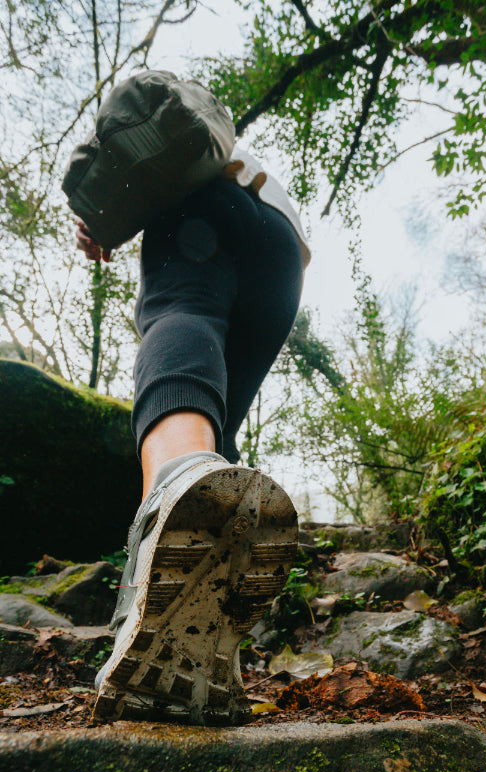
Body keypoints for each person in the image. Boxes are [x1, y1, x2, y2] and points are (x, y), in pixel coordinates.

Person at [75, 148, 310, 725]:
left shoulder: (170, 154)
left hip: (203, 212)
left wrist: (100, 214)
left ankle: (172, 496)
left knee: (181, 314)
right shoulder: (224, 145)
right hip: (284, 251)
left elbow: (124, 149)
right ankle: (197, 643)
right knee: (214, 423)